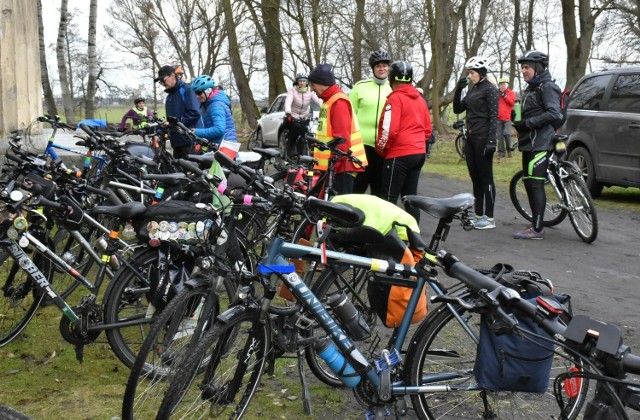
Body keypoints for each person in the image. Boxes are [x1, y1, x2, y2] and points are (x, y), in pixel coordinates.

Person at [512, 51, 562, 240]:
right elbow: (530, 113)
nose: (523, 71)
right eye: (522, 67)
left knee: (535, 185)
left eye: (527, 67)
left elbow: (553, 113)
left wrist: (528, 123)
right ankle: (535, 224)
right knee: (529, 183)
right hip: (529, 144)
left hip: (541, 143)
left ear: (538, 68)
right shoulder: (532, 89)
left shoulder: (547, 87)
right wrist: (516, 119)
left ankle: (538, 230)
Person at [375, 61, 432, 223]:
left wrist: (381, 150)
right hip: (418, 153)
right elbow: (428, 129)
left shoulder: (395, 99)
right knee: (410, 198)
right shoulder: (420, 100)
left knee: (388, 199)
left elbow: (389, 130)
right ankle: (414, 238)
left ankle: (385, 239)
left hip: (399, 155)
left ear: (392, 78)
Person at [453, 56, 499, 230]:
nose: (470, 76)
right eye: (469, 73)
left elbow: (494, 116)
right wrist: (459, 89)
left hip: (483, 138)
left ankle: (490, 217)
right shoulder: (473, 90)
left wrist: (492, 140)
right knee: (475, 178)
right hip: (471, 138)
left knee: (486, 178)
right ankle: (479, 213)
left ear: (481, 73)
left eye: (472, 73)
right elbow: (458, 108)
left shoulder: (490, 89)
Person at [307, 63, 368, 195]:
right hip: (337, 165)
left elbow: (342, 140)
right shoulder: (328, 101)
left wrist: (334, 166)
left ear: (321, 83)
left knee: (339, 209)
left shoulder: (338, 102)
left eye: (312, 84)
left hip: (343, 166)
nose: (311, 89)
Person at [350, 49, 393, 196]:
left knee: (379, 189)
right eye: (378, 66)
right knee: (357, 187)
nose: (382, 68)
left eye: (384, 65)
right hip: (362, 146)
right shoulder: (360, 86)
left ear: (389, 68)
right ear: (373, 68)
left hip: (384, 147)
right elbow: (349, 114)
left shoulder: (394, 88)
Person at [155, 65, 203, 159]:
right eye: (160, 82)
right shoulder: (169, 96)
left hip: (189, 141)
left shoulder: (187, 90)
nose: (162, 83)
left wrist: (175, 122)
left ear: (172, 76)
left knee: (191, 172)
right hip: (176, 142)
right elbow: (171, 119)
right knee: (178, 171)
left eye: (163, 80)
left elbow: (195, 113)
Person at [191, 74, 237, 146]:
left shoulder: (216, 106)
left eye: (199, 93)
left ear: (208, 91)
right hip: (222, 146)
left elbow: (219, 130)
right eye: (195, 93)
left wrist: (197, 132)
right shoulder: (211, 104)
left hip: (224, 148)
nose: (197, 96)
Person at [283, 74, 322, 159]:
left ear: (307, 82)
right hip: (293, 116)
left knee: (309, 132)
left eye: (304, 81)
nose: (302, 83)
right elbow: (288, 101)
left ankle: (307, 152)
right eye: (300, 81)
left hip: (305, 116)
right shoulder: (293, 90)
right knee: (295, 130)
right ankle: (291, 150)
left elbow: (318, 100)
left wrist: (324, 108)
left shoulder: (310, 91)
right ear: (297, 82)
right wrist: (288, 113)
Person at [497, 77, 517, 158]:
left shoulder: (511, 93)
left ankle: (509, 150)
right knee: (500, 136)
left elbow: (512, 103)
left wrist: (505, 96)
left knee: (507, 133)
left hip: (508, 118)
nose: (502, 86)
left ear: (507, 85)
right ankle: (501, 153)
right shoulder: (497, 93)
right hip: (498, 118)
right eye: (501, 84)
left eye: (504, 84)